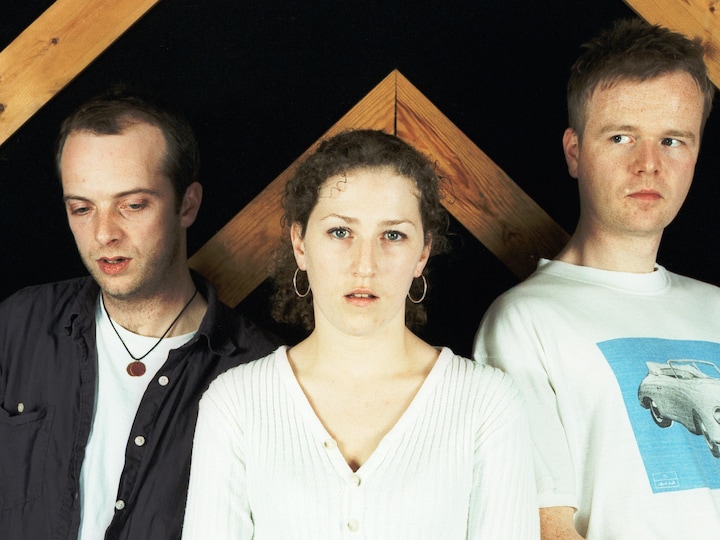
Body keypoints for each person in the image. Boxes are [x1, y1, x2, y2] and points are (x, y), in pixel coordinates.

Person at [182, 129, 539, 539]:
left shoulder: (487, 404)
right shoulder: (235, 404)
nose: (365, 265)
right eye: (340, 232)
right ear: (300, 244)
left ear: (422, 253)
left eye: (393, 235)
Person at [473, 18, 720, 540]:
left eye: (672, 140)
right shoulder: (525, 322)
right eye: (621, 137)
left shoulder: (715, 306)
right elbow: (544, 528)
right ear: (574, 152)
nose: (648, 164)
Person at [0, 93, 278, 539]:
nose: (104, 233)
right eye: (82, 208)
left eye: (132, 205)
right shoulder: (18, 325)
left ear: (187, 205)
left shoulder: (262, 374)